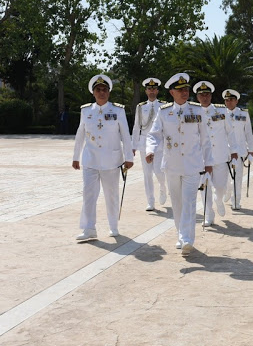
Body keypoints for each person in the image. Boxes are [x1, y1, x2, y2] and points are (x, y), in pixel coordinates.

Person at [146, 73, 212, 257]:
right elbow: (154, 134)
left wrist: (209, 163)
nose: (185, 92)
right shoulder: (164, 111)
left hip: (192, 164)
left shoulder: (198, 110)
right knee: (177, 203)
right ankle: (180, 235)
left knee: (189, 201)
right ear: (171, 92)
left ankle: (187, 238)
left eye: (186, 89)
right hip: (172, 165)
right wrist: (150, 150)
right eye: (180, 90)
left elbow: (205, 140)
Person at [72, 74, 133, 241]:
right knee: (88, 194)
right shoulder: (86, 111)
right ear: (93, 92)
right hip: (90, 159)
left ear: (109, 92)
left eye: (104, 89)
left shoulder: (117, 110)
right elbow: (80, 134)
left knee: (111, 194)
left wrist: (129, 157)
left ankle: (113, 226)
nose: (101, 92)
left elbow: (125, 135)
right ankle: (88, 228)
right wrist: (75, 157)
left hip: (111, 161)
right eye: (98, 90)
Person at [192, 80, 238, 226]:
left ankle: (219, 200)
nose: (204, 97)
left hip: (220, 156)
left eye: (207, 94)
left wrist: (234, 151)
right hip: (201, 158)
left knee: (220, 187)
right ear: (197, 97)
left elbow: (230, 132)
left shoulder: (221, 110)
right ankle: (209, 214)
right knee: (204, 186)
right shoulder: (193, 112)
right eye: (201, 95)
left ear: (211, 96)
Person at [131, 77, 167, 211]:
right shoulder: (141, 107)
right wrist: (133, 146)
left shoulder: (163, 106)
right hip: (144, 143)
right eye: (149, 89)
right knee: (147, 174)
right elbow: (136, 127)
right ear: (146, 91)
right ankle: (150, 201)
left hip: (159, 143)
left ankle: (163, 187)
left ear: (157, 91)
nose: (151, 91)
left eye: (154, 89)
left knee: (159, 171)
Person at [223, 89, 253, 210]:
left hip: (240, 151)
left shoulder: (243, 114)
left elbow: (248, 133)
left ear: (236, 101)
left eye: (231, 100)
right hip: (224, 151)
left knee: (238, 177)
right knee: (225, 178)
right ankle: (228, 190)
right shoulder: (220, 114)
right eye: (226, 100)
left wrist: (251, 151)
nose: (229, 102)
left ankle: (236, 201)